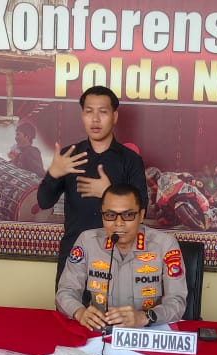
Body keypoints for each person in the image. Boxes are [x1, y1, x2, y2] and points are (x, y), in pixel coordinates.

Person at [38, 85, 146, 284]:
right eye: (89, 112)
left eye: (103, 112)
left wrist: (108, 193)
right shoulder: (70, 156)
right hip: (74, 255)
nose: (95, 119)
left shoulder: (130, 160)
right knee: (68, 304)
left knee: (115, 305)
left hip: (117, 256)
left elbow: (141, 211)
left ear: (114, 116)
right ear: (82, 116)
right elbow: (43, 202)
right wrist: (53, 174)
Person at [56, 183, 186, 331]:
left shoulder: (165, 245)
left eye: (128, 215)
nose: (118, 224)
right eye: (110, 215)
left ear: (141, 215)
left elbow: (177, 302)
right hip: (100, 332)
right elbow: (66, 292)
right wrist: (80, 313)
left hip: (147, 331)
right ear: (102, 215)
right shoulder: (87, 241)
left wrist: (145, 317)